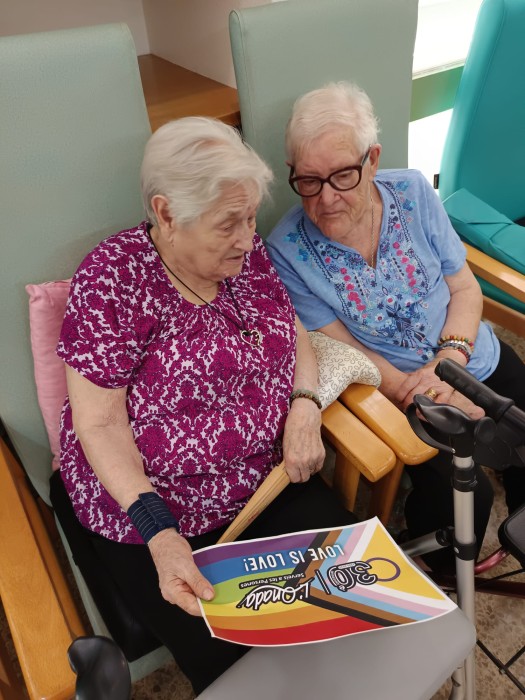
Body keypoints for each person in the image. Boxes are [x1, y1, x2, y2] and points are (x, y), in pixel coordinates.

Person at [55, 117, 357, 694]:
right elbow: (99, 422)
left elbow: (291, 330)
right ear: (166, 214)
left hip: (268, 482)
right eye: (229, 223)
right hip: (157, 514)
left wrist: (303, 405)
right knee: (250, 681)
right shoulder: (112, 279)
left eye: (251, 218)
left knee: (355, 616)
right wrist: (160, 533)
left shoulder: (247, 254)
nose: (248, 238)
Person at [266, 81, 525, 573]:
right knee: (466, 496)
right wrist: (423, 392)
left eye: (343, 176)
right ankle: (441, 566)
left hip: (470, 351)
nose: (326, 198)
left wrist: (450, 364)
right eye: (309, 181)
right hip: (401, 391)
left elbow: (465, 289)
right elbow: (344, 348)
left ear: (372, 160)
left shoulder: (413, 191)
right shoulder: (287, 250)